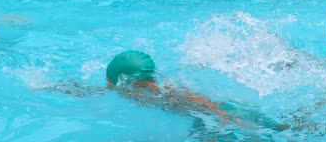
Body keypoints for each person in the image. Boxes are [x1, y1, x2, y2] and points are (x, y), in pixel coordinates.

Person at [44, 50, 289, 134]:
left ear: (125, 81)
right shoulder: (138, 87)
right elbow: (98, 91)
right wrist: (59, 87)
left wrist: (224, 123)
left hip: (225, 117)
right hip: (225, 113)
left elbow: (199, 101)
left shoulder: (164, 92)